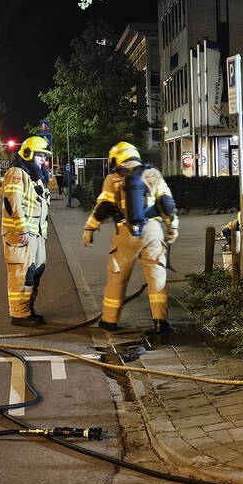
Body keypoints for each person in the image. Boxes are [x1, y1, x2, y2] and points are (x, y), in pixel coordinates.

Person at [82, 141, 179, 337]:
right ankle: (160, 322)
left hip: (125, 233)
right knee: (156, 279)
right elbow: (166, 202)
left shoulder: (113, 178)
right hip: (152, 231)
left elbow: (104, 207)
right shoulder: (153, 174)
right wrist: (173, 227)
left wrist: (90, 228)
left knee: (117, 278)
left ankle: (109, 321)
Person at [1, 136, 52, 326]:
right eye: (40, 155)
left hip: (35, 236)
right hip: (20, 235)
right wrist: (22, 229)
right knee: (21, 274)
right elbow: (13, 203)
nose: (43, 160)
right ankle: (19, 315)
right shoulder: (17, 173)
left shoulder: (34, 177)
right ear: (28, 153)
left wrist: (42, 235)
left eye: (44, 156)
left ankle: (28, 310)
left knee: (35, 272)